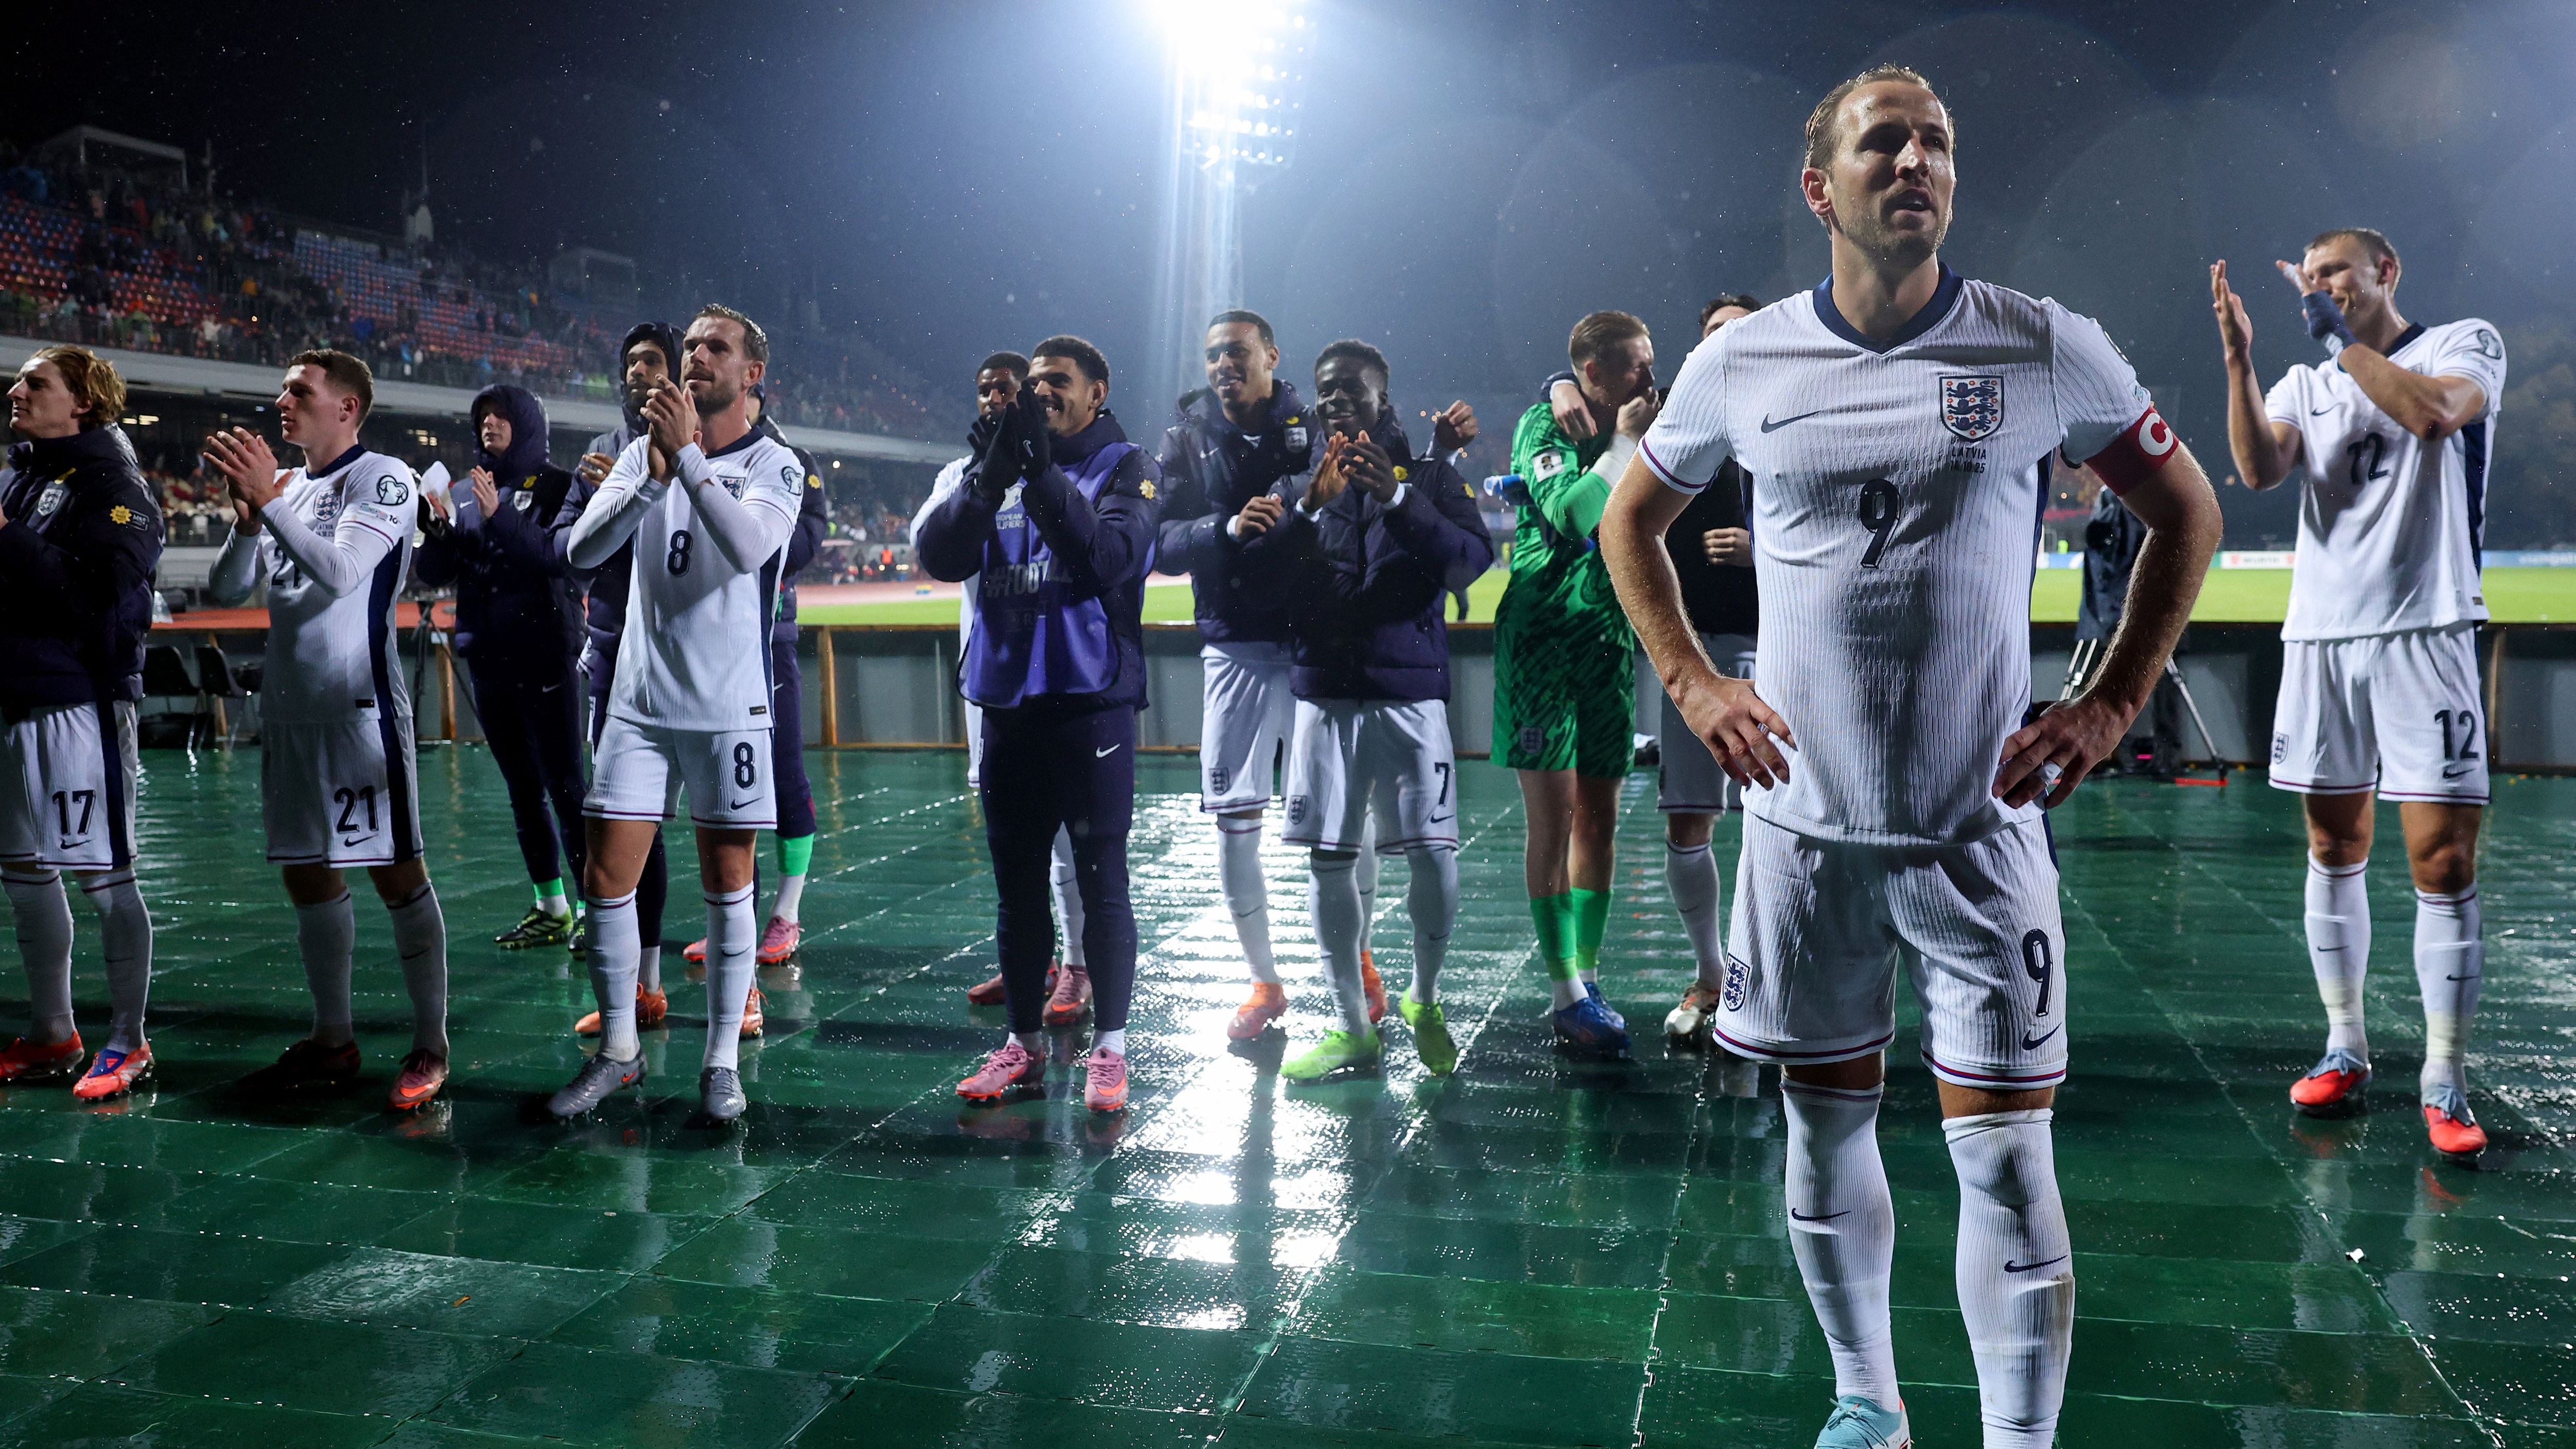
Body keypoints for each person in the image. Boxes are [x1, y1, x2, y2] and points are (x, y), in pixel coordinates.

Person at [1599, 65, 2222, 1449]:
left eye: (1935, 142)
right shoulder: (1741, 357)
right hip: (1801, 835)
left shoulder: (2040, 343)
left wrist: (2111, 698)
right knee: (1823, 1138)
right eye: (1882, 143)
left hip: (1975, 830)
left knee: (2003, 1157)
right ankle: (1865, 1401)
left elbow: (2186, 510)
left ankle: (2012, 1435)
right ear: (1819, 186)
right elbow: (1624, 524)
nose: (1915, 162)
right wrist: (1695, 682)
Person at [2212, 229, 2505, 1157]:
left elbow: (2430, 416)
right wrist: (2243, 364)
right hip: (2323, 636)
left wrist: (2338, 337)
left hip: (2428, 628)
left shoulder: (2463, 342)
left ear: (2387, 273)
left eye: (2336, 269)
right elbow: (2260, 467)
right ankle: (2345, 1047)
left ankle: (2446, 1080)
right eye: (2312, 272)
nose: (2322, 282)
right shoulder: (2308, 382)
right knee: (2334, 845)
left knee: (2443, 862)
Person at [550, 305, 801, 1125]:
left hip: (730, 705)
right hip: (639, 701)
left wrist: (686, 458)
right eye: (690, 345)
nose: (696, 357)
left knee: (729, 883)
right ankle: (620, 1051)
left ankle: (720, 1061)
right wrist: (650, 478)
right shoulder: (639, 453)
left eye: (715, 347)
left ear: (751, 372)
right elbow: (582, 553)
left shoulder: (777, 464)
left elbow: (749, 548)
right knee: (605, 877)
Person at [205, 350, 455, 1112]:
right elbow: (224, 589)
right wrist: (250, 521)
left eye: (301, 390)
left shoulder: (380, 475)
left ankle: (432, 1043)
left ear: (346, 407)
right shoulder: (285, 488)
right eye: (282, 386)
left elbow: (344, 572)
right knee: (308, 873)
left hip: (360, 714)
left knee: (397, 871)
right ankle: (333, 1035)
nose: (284, 399)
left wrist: (271, 505)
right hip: (291, 714)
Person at [920, 336, 1159, 1114]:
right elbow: (939, 554)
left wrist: (1041, 473)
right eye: (1034, 383)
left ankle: (1111, 1049)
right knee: (1017, 892)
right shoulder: (989, 465)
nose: (1042, 392)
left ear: (1098, 391)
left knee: (1102, 880)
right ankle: (1020, 1043)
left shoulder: (1125, 463)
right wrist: (990, 476)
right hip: (1009, 708)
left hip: (1090, 706)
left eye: (1059, 381)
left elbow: (1108, 557)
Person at [1266, 341, 1492, 1081]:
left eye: (1351, 391)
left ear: (1382, 400)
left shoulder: (1427, 477)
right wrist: (1305, 511)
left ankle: (1424, 996)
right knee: (1329, 861)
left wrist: (1397, 501)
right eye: (1326, 392)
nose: (1335, 402)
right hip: (1324, 698)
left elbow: (1468, 560)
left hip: (1407, 697)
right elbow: (1269, 592)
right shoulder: (1299, 485)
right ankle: (1351, 1026)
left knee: (1431, 855)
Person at [1556, 295, 1766, 1052]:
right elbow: (1596, 382)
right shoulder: (1679, 414)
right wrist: (1559, 382)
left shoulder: (1808, 402)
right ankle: (1712, 975)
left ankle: (1775, 983)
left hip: (1791, 648)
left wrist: (1761, 551)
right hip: (1695, 650)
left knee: (1793, 826)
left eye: (1743, 327)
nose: (1728, 341)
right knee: (1690, 821)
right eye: (1713, 331)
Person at [1153, 310, 1330, 1040]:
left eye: (1237, 352)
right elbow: (1159, 543)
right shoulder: (1184, 438)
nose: (1223, 364)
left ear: (1270, 356)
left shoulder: (1315, 424)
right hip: (1233, 648)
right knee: (1234, 825)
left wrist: (1293, 507)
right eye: (1213, 355)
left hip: (1316, 644)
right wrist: (1223, 529)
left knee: (1335, 823)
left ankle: (1360, 967)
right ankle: (1264, 982)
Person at [1496, 310, 1659, 1058]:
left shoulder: (1637, 418)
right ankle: (1563, 992)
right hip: (1541, 644)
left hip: (1604, 641)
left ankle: (1588, 978)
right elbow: (1568, 515)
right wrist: (1621, 439)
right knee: (1553, 819)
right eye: (1634, 365)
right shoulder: (1544, 424)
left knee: (1600, 816)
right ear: (1593, 372)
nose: (1649, 379)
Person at [0, 346, 162, 1100]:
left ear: (85, 403)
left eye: (37, 382)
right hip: (15, 698)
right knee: (26, 872)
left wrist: (3, 532)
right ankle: (52, 1029)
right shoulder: (24, 473)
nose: (17, 389)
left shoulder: (117, 485)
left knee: (103, 874)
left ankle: (129, 1041)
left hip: (81, 703)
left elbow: (95, 594)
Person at [914, 353, 1088, 1010]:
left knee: (1068, 834)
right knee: (1015, 840)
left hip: (1056, 674)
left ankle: (1077, 964)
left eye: (1005, 387)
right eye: (984, 388)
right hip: (990, 679)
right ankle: (1032, 964)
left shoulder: (1061, 468)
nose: (993, 397)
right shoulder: (959, 473)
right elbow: (926, 546)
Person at [413, 385, 587, 951]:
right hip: (487, 653)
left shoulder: (560, 485)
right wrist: (435, 532)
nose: (489, 424)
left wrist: (497, 516)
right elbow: (437, 572)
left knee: (567, 786)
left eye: (502, 416)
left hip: (544, 652)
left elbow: (554, 557)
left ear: (528, 423)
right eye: (482, 417)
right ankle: (551, 905)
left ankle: (595, 907)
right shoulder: (462, 489)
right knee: (522, 789)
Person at [679, 380, 827, 988]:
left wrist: (743, 534)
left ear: (756, 395)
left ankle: (787, 913)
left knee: (784, 774)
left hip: (770, 641)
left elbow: (799, 544)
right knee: (723, 794)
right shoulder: (688, 455)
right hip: (705, 647)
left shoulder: (786, 462)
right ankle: (734, 917)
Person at [563, 323, 681, 1038]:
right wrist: (609, 492)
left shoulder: (719, 443)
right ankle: (645, 988)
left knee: (724, 830)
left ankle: (747, 985)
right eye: (631, 363)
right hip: (614, 651)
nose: (638, 373)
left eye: (652, 362)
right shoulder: (603, 453)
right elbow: (567, 549)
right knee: (626, 825)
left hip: (694, 656)